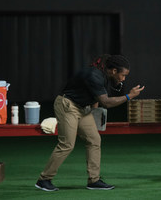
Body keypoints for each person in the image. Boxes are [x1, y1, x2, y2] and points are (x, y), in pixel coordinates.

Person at [35, 54, 144, 191]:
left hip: (83, 108)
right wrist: (130, 96)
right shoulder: (94, 76)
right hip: (67, 105)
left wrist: (95, 114)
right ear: (114, 71)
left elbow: (95, 97)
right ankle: (44, 180)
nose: (123, 79)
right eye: (123, 75)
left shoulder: (104, 75)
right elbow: (106, 102)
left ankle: (94, 180)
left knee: (94, 140)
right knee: (67, 144)